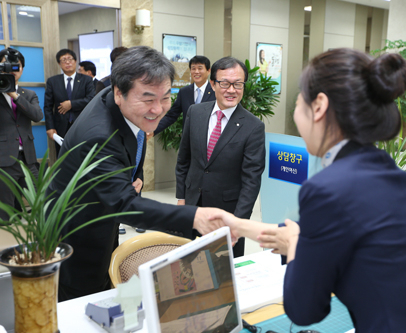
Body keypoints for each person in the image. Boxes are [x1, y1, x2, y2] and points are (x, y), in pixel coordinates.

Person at [214, 49, 406, 332]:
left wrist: (296, 245)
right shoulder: (391, 173)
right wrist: (240, 226)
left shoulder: (327, 188)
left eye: (299, 100)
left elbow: (304, 309)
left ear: (319, 106)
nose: (295, 111)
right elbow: (326, 232)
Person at [49, 46, 226, 301]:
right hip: (79, 235)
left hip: (101, 215)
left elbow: (131, 142)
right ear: (120, 93)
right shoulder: (99, 135)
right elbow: (125, 205)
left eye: (165, 97)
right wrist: (195, 217)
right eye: (148, 99)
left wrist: (130, 175)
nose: (158, 109)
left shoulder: (117, 98)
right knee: (84, 301)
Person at [176, 56, 266, 257]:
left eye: (238, 84)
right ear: (212, 84)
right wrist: (181, 198)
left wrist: (238, 223)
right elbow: (184, 159)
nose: (231, 90)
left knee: (225, 275)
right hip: (192, 206)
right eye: (225, 83)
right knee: (187, 265)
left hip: (227, 214)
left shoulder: (253, 127)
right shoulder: (195, 112)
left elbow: (251, 180)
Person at [0, 48, 43, 220]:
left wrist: (15, 96)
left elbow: (37, 115)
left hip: (28, 159)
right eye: (5, 66)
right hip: (4, 160)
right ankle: (8, 244)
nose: (11, 71)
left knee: (40, 201)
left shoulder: (29, 94)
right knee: (7, 210)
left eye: (16, 67)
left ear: (22, 69)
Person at [44, 49, 95, 156]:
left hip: (82, 125)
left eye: (70, 59)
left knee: (82, 155)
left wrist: (71, 104)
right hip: (60, 127)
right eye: (63, 60)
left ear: (75, 61)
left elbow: (91, 99)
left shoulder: (86, 80)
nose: (67, 62)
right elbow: (48, 106)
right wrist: (50, 127)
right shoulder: (53, 81)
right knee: (63, 156)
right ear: (59, 64)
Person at [154, 55, 216, 135]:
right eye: (193, 68)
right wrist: (153, 130)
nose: (196, 72)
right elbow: (171, 116)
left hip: (210, 140)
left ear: (208, 71)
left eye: (200, 68)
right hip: (188, 141)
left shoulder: (216, 91)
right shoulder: (184, 92)